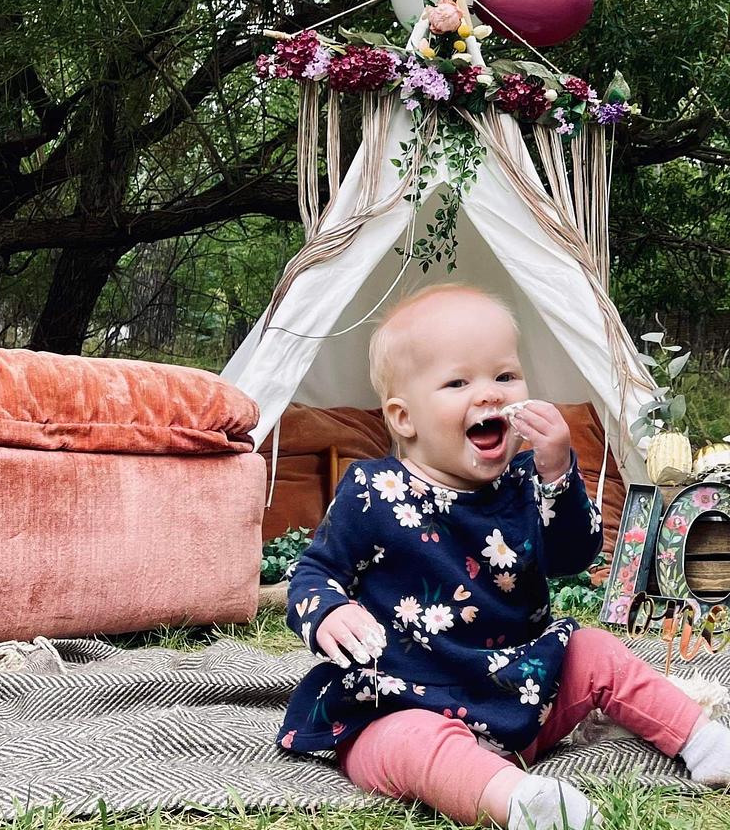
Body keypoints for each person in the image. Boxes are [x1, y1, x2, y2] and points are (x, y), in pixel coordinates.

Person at [277, 286, 730, 829]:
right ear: (403, 417)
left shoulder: (526, 483)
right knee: (402, 744)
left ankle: (703, 741)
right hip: (402, 699)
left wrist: (559, 472)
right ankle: (518, 800)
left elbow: (573, 554)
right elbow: (315, 571)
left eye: (506, 375)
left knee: (592, 650)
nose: (489, 394)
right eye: (458, 383)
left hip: (522, 692)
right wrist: (329, 611)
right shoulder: (373, 491)